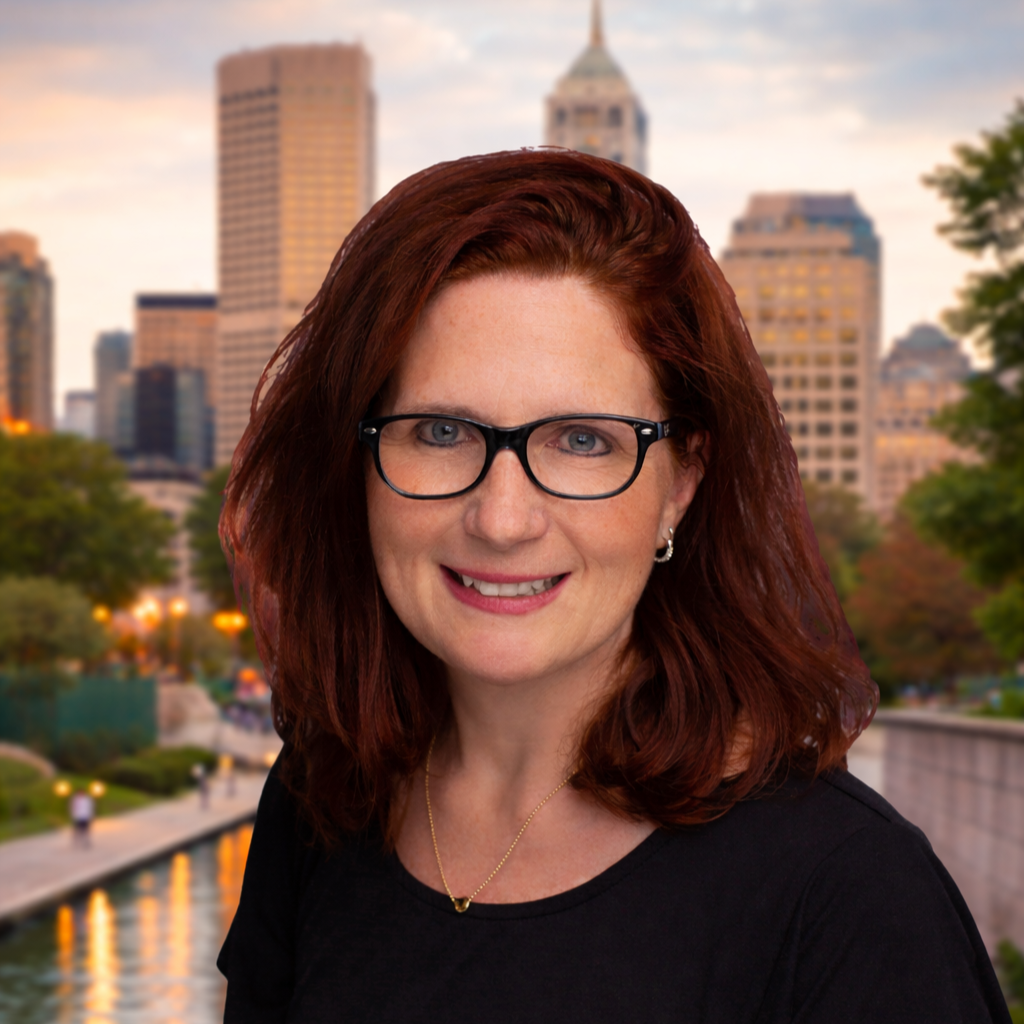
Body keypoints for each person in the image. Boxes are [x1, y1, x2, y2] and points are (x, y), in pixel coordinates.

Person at [217, 150, 1010, 1023]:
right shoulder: (320, 804)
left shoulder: (848, 894)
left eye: (583, 441)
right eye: (439, 430)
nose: (503, 518)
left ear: (681, 483)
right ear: (358, 462)